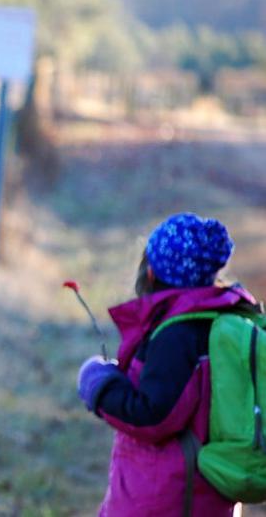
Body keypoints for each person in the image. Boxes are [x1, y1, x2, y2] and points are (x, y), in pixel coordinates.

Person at [77, 212, 261, 517]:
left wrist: (97, 383)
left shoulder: (177, 335)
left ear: (151, 272)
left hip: (166, 496)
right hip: (208, 494)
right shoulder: (223, 321)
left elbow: (152, 415)